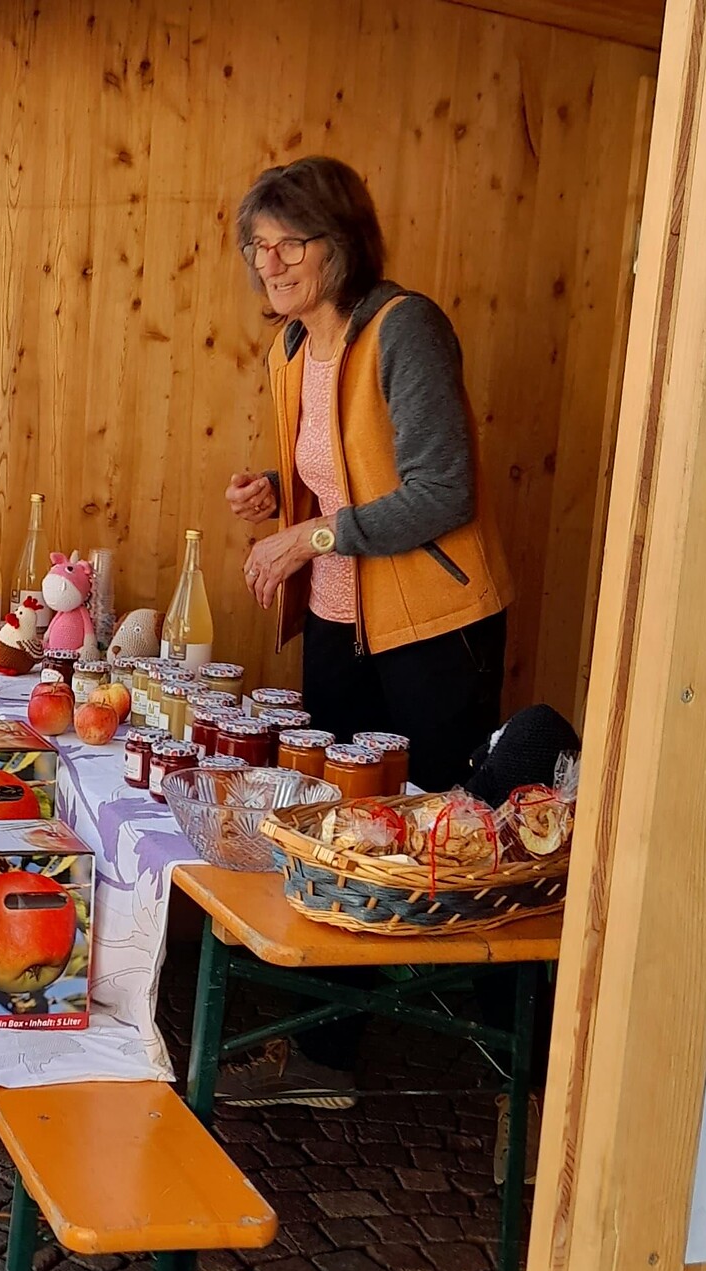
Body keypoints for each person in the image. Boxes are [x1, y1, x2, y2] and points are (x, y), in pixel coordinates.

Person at [217, 155, 513, 1107]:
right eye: (258, 246)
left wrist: (309, 533)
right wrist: (278, 495)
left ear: (340, 243)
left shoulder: (403, 328)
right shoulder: (293, 349)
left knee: (447, 837)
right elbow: (342, 476)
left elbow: (442, 491)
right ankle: (324, 1055)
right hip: (339, 627)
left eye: (289, 243)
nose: (270, 263)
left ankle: (515, 1069)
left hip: (433, 631)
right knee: (336, 834)